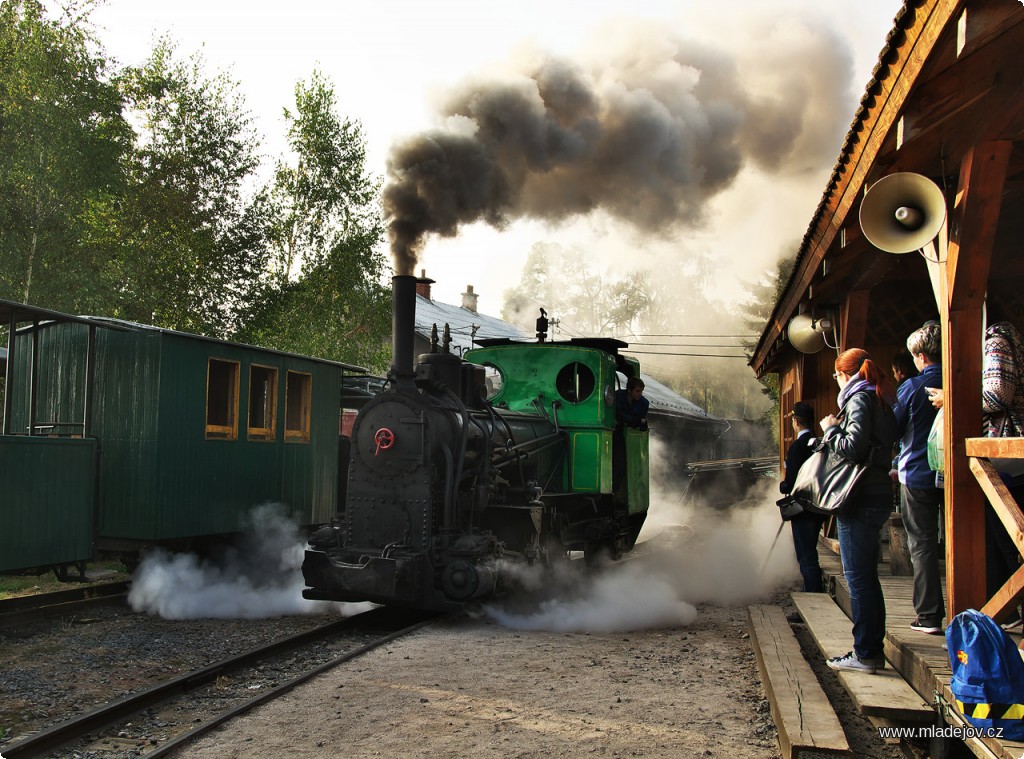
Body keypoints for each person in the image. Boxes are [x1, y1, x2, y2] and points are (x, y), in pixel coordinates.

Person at [822, 348, 898, 674]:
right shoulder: (879, 398)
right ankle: (870, 649)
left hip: (859, 497)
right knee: (868, 579)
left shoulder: (857, 399)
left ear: (844, 374)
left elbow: (852, 448)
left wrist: (829, 429)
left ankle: (865, 653)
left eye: (837, 375)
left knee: (858, 580)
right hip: (877, 493)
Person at [894, 323, 945, 635]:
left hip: (918, 474)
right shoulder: (959, 381)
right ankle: (979, 609)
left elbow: (893, 428)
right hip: (959, 474)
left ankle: (929, 615)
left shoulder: (912, 388)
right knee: (966, 539)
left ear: (921, 356)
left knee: (922, 543)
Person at [779, 401, 825, 592]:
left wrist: (784, 485)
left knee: (805, 555)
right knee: (811, 550)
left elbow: (791, 481)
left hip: (803, 506)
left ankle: (813, 596)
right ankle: (812, 589)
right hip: (820, 504)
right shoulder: (821, 443)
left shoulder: (798, 447)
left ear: (796, 422)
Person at [613, 377, 649, 496]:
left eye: (641, 391)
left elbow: (637, 421)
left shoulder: (644, 403)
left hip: (631, 439)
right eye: (637, 391)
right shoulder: (617, 397)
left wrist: (626, 421)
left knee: (632, 468)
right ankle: (613, 492)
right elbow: (619, 415)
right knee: (618, 465)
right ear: (629, 390)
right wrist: (633, 420)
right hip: (616, 437)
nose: (640, 394)